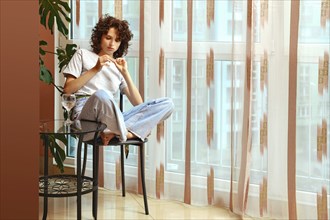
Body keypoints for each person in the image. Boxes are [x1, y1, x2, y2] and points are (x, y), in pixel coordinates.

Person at [62, 14, 174, 145]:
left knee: (168, 104)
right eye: (108, 38)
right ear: (99, 38)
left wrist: (125, 73)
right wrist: (95, 68)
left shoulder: (118, 67)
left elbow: (139, 104)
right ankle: (126, 132)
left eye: (117, 40)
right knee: (102, 94)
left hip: (112, 118)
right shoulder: (83, 54)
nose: (112, 44)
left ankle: (119, 132)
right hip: (85, 120)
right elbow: (68, 90)